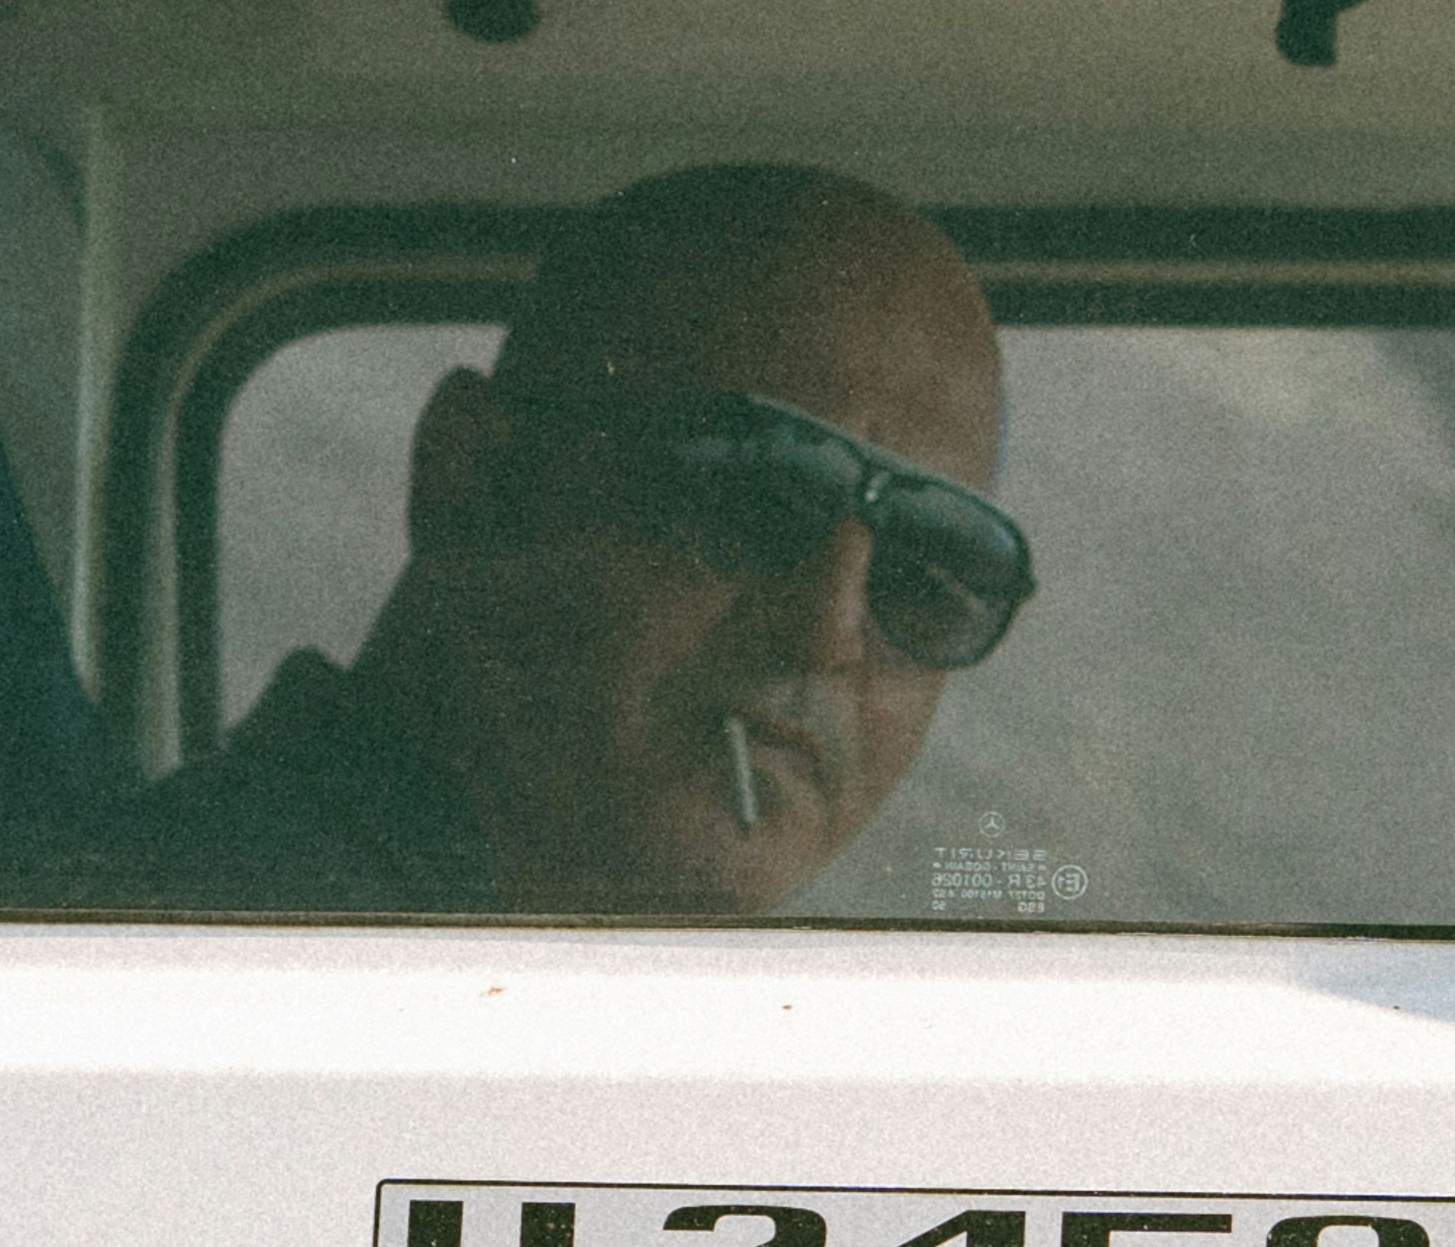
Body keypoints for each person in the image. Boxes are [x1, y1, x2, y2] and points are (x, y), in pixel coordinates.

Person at [131, 163, 1031, 917]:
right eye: (749, 494)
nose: (827, 634)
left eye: (929, 572)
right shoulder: (192, 938)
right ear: (473, 484)